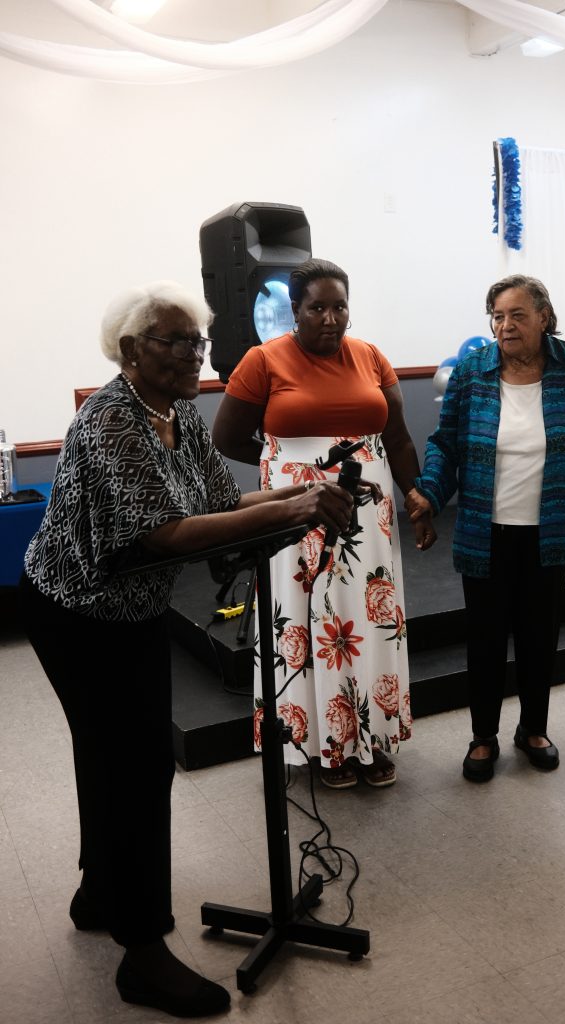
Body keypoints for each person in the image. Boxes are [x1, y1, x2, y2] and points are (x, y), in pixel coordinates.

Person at [18, 280, 355, 1019]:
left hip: (130, 605)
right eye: (174, 341)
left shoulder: (178, 411)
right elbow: (165, 534)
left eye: (196, 342)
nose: (192, 355)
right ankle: (142, 954)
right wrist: (295, 504)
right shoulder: (111, 421)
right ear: (130, 350)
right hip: (76, 611)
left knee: (111, 755)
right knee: (136, 767)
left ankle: (100, 893)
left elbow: (219, 504)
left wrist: (302, 493)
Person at [212, 258, 435, 790]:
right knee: (306, 622)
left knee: (366, 621)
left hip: (369, 519)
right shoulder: (263, 360)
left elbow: (397, 438)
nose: (330, 318)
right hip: (297, 514)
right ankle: (323, 745)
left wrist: (414, 492)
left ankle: (370, 739)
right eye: (317, 308)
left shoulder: (371, 356)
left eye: (339, 307)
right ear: (295, 310)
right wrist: (289, 469)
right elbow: (227, 437)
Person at [405, 274, 565, 782]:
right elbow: (445, 443)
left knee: (540, 635)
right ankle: (483, 736)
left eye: (517, 315)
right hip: (485, 530)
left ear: (544, 317)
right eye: (497, 316)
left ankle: (533, 729)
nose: (505, 326)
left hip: (550, 527)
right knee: (485, 637)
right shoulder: (473, 371)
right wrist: (429, 492)